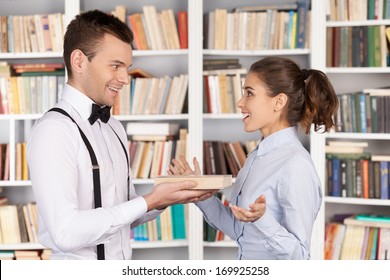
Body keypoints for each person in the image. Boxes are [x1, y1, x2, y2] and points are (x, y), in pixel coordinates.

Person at [26, 9, 213, 260]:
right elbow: (65, 232)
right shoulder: (54, 130)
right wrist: (148, 200)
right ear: (79, 61)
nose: (125, 78)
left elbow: (123, 216)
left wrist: (166, 197)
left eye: (127, 67)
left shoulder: (114, 127)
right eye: (115, 66)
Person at [168, 56, 339, 260]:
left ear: (279, 102)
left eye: (249, 93)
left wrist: (262, 220)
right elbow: (238, 231)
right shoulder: (257, 157)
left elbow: (300, 257)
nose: (240, 103)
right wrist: (200, 193)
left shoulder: (296, 165)